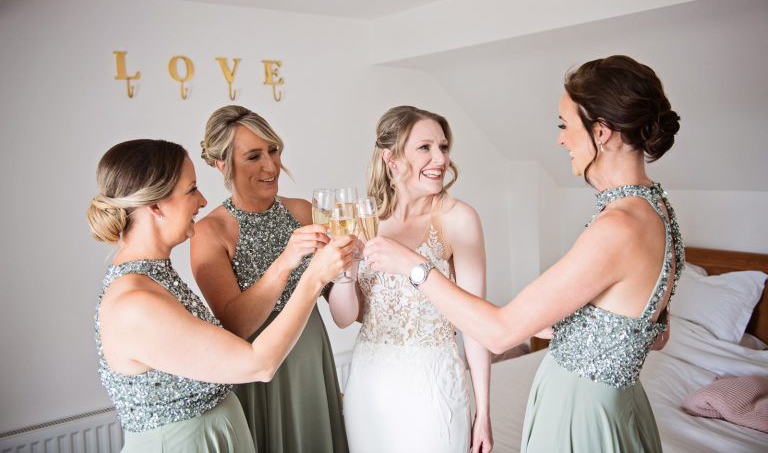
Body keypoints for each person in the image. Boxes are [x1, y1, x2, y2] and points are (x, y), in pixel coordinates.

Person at [364, 56, 683, 452]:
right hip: (616, 404)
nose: (560, 139)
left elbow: (499, 333)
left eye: (565, 125)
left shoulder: (618, 228)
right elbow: (653, 334)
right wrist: (573, 330)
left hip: (581, 413)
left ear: (601, 133)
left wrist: (413, 265)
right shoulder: (656, 209)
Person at [87, 139, 355, 452]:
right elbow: (260, 364)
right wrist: (314, 276)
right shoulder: (133, 304)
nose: (201, 201)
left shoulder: (154, 277)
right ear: (156, 207)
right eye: (191, 190)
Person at [330, 106, 493, 453]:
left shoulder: (459, 219)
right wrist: (345, 272)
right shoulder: (363, 219)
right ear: (391, 159)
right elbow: (344, 318)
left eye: (444, 147)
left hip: (433, 385)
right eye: (425, 147)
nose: (440, 158)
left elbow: (476, 322)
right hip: (369, 387)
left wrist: (484, 412)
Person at [191, 105, 349, 453]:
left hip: (311, 356)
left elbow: (345, 307)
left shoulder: (304, 211)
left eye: (273, 150)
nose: (271, 166)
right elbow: (235, 325)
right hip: (260, 367)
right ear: (222, 165)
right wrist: (286, 262)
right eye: (253, 156)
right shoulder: (210, 232)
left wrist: (352, 269)